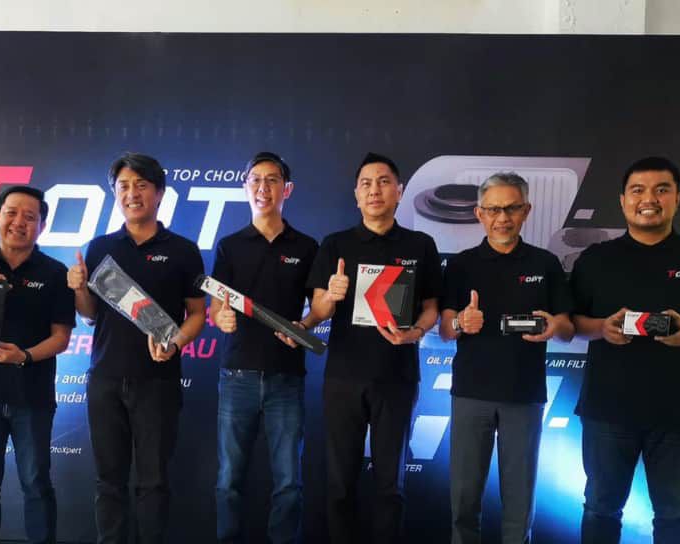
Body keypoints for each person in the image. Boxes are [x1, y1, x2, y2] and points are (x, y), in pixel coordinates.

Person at [570, 157, 680, 544]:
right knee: (599, 509)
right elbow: (571, 324)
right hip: (607, 412)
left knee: (676, 514)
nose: (649, 199)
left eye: (662, 189)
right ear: (623, 200)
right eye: (638, 190)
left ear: (677, 198)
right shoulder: (595, 259)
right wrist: (602, 328)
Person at [68, 152, 206, 544]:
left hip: (157, 382)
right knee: (108, 481)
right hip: (105, 379)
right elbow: (90, 315)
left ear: (159, 193)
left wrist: (174, 342)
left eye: (141, 185)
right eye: (124, 186)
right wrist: (79, 288)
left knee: (154, 481)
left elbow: (198, 314)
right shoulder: (99, 248)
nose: (132, 194)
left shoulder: (183, 250)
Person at [305, 152, 443, 543]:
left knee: (390, 486)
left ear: (399, 191)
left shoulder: (420, 244)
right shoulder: (335, 244)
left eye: (383, 182)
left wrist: (415, 332)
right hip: (343, 378)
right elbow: (317, 310)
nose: (374, 190)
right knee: (340, 483)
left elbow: (432, 307)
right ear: (356, 194)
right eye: (366, 183)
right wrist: (330, 296)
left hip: (397, 377)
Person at [438, 172, 574, 544]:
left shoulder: (545, 263)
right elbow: (445, 328)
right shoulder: (462, 264)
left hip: (524, 395)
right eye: (494, 209)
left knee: (519, 505)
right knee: (464, 500)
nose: (503, 217)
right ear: (479, 213)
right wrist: (461, 322)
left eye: (512, 208)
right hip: (471, 394)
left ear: (526, 211)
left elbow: (567, 327)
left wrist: (554, 326)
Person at [0, 186, 75, 543]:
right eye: (11, 212)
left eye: (29, 216)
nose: (19, 222)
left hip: (32, 395)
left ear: (42, 225)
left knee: (36, 483)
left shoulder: (55, 272)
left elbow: (61, 337)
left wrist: (24, 356)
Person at [210, 152, 318, 543]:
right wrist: (220, 317)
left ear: (286, 189)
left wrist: (306, 324)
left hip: (286, 377)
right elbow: (216, 304)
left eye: (272, 180)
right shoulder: (230, 246)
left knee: (289, 482)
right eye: (255, 179)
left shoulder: (306, 246)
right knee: (228, 480)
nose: (263, 187)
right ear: (246, 187)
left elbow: (319, 305)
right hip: (237, 374)